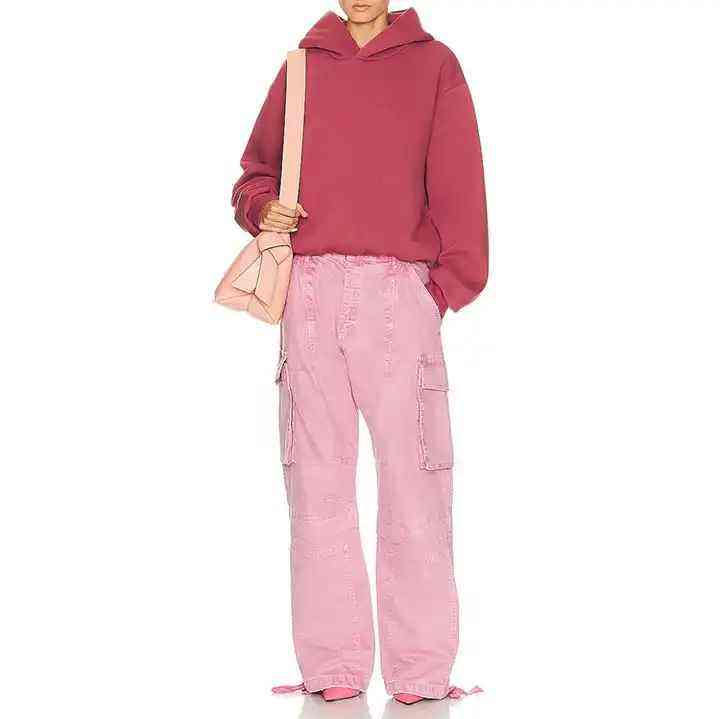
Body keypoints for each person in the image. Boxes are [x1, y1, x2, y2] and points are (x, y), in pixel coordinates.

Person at [231, 2, 488, 706]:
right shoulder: (301, 64)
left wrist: (442, 289)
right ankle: (332, 665)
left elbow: (460, 184)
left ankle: (420, 669)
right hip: (309, 293)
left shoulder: (434, 65)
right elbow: (254, 172)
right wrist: (263, 209)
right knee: (314, 483)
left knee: (416, 482)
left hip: (399, 294)